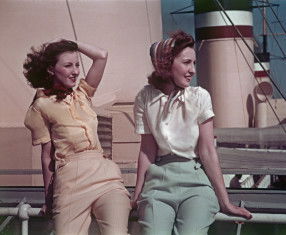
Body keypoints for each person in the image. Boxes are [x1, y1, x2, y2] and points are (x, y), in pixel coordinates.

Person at [132, 30, 252, 235]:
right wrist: (136, 196)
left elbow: (207, 151)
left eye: (194, 63)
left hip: (195, 183)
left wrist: (225, 202)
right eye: (187, 63)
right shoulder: (145, 97)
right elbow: (147, 151)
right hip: (158, 183)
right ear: (167, 63)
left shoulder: (200, 97)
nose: (193, 70)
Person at [23, 39, 131, 235]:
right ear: (51, 69)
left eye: (77, 65)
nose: (75, 71)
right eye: (67, 65)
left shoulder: (83, 94)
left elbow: (101, 55)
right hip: (70, 182)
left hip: (106, 177)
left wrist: (70, 44)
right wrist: (49, 199)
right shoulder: (40, 106)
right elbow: (47, 156)